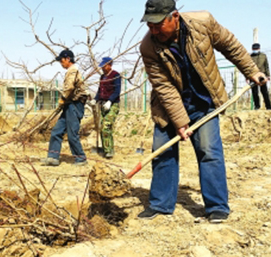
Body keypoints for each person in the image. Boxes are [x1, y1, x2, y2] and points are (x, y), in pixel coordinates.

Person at [138, 0, 267, 223]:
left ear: (174, 17)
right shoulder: (149, 46)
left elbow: (230, 45)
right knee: (162, 151)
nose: (154, 30)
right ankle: (160, 204)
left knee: (209, 150)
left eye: (158, 24)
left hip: (203, 101)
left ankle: (217, 206)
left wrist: (252, 70)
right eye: (150, 25)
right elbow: (164, 87)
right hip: (168, 105)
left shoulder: (203, 22)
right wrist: (179, 121)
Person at [42, 49, 89, 166]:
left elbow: (69, 87)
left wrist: (63, 98)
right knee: (57, 131)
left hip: (75, 105)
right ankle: (53, 157)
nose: (61, 63)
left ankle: (81, 158)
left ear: (68, 59)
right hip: (69, 105)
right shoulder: (70, 70)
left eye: (62, 61)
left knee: (72, 133)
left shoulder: (73, 70)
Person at [90, 57, 121, 158]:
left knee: (106, 127)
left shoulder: (115, 75)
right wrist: (95, 99)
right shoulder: (102, 77)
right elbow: (100, 90)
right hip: (102, 104)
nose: (102, 68)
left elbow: (117, 91)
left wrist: (110, 101)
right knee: (102, 127)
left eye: (104, 66)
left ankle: (108, 152)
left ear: (109, 65)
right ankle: (107, 149)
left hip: (113, 104)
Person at [250, 43, 271, 110]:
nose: (255, 50)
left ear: (259, 49)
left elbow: (266, 66)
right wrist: (247, 77)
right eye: (254, 49)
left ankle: (268, 106)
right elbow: (247, 68)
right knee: (255, 92)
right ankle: (257, 106)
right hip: (253, 76)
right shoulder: (250, 57)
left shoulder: (263, 56)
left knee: (264, 92)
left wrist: (268, 75)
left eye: (256, 49)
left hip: (262, 75)